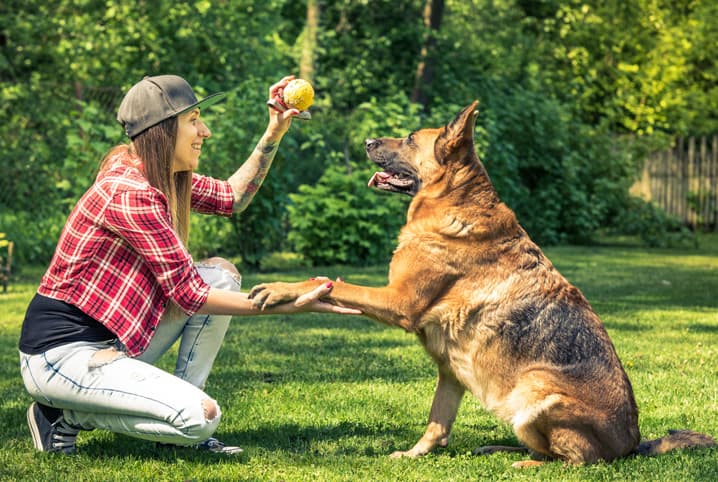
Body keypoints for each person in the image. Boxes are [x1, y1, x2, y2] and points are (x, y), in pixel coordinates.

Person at [18, 74, 359, 455]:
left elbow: (232, 197)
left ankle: (173, 407)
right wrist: (291, 303)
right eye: (193, 120)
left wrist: (274, 131)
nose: (205, 131)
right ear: (162, 130)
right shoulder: (130, 193)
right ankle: (61, 415)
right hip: (62, 355)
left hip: (113, 340)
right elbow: (189, 295)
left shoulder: (159, 173)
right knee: (201, 417)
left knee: (222, 274)